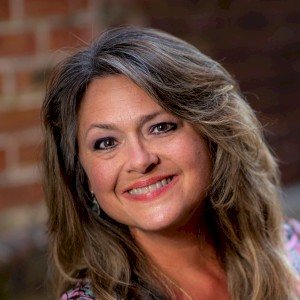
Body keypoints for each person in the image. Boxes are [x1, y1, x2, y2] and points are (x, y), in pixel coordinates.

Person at [42, 26, 300, 300]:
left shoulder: (291, 247)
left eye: (161, 127)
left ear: (211, 134)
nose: (140, 161)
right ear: (83, 176)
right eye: (106, 143)